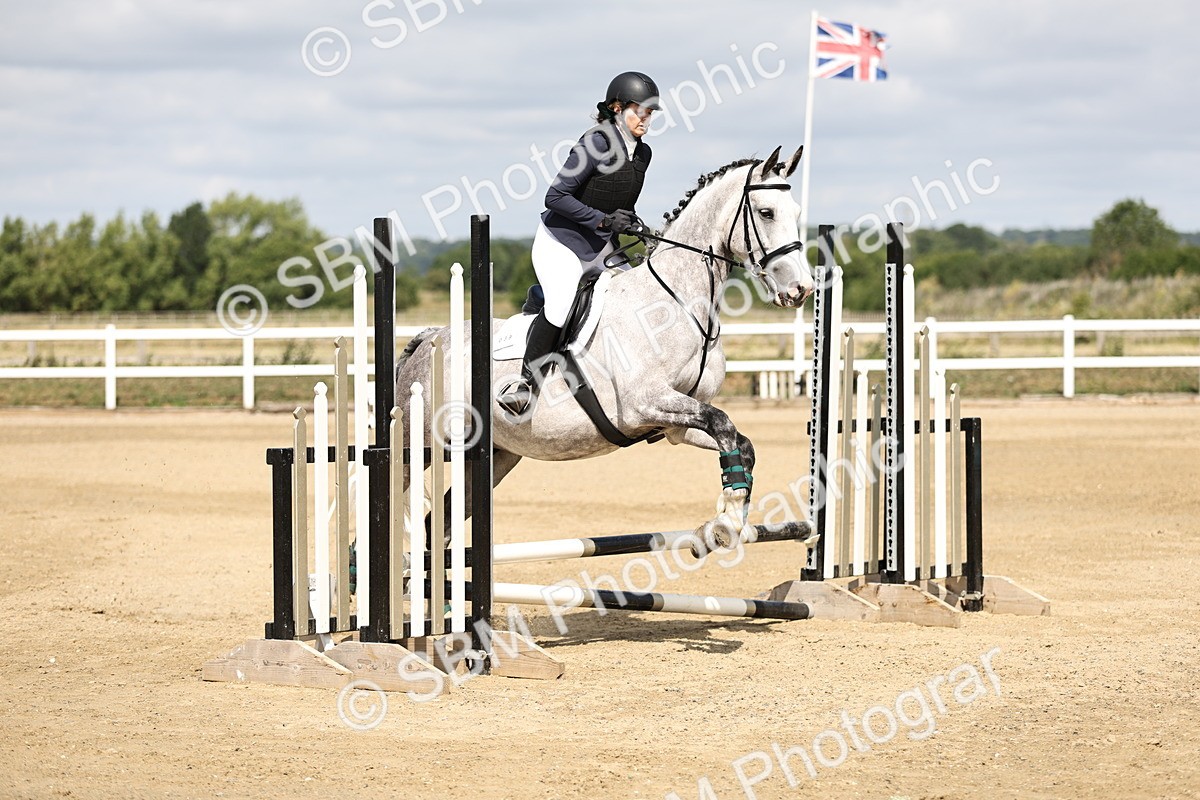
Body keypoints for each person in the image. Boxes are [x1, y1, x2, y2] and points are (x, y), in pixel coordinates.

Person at [497, 71, 661, 416]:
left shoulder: (643, 154)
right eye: (640, 110)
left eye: (650, 112)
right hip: (562, 242)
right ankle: (525, 384)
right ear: (617, 108)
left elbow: (619, 201)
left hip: (602, 246)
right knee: (560, 305)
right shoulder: (597, 142)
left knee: (636, 294)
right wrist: (603, 220)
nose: (646, 118)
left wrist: (633, 223)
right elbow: (555, 196)